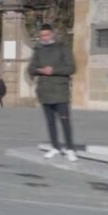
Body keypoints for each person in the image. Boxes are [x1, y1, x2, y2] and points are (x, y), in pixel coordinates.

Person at [28, 24, 77, 161]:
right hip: (44, 91)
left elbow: (71, 68)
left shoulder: (63, 48)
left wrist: (53, 70)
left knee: (64, 121)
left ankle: (70, 148)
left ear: (52, 34)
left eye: (46, 35)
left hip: (60, 91)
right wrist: (40, 70)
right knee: (50, 122)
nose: (44, 38)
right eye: (42, 35)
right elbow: (31, 68)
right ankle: (55, 147)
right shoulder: (38, 50)